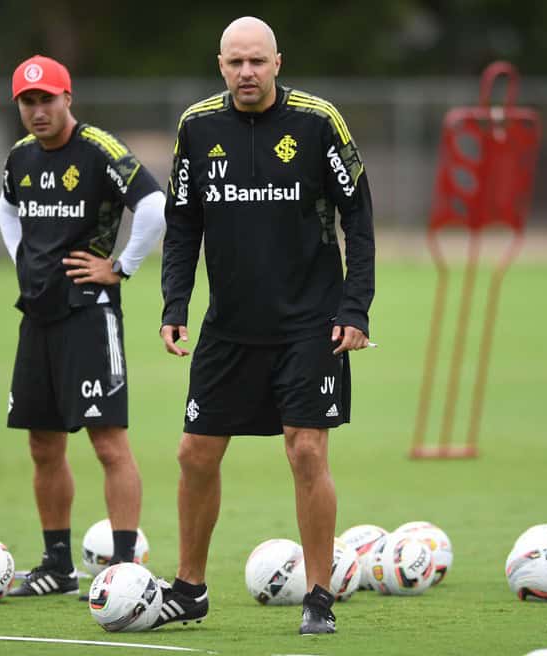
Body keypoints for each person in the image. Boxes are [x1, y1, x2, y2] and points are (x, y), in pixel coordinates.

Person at [153, 16, 375, 635]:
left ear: (278, 62)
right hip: (229, 325)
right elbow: (182, 224)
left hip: (311, 322)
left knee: (306, 450)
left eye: (257, 61)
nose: (246, 73)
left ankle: (320, 596)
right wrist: (175, 305)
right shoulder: (197, 127)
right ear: (220, 65)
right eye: (234, 63)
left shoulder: (317, 121)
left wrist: (355, 308)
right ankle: (190, 589)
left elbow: (358, 215)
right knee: (195, 453)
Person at [0, 54, 166, 597]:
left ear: (68, 98)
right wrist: (23, 259)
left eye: (47, 99)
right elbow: (5, 207)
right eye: (28, 101)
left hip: (89, 316)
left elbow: (155, 206)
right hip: (37, 316)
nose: (38, 110)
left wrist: (120, 267)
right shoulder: (20, 157)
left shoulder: (99, 151)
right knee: (43, 445)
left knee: (108, 443)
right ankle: (56, 566)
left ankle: (123, 568)